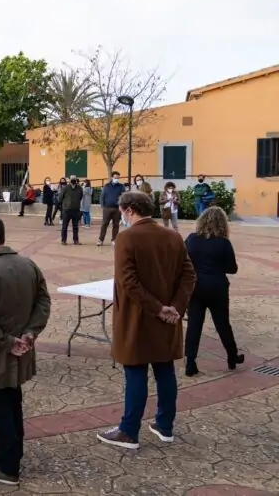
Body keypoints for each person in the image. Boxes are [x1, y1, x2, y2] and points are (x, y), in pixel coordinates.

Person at [97, 192, 196, 450]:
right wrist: (174, 307)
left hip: (137, 317)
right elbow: (189, 275)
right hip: (167, 318)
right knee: (165, 370)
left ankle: (129, 430)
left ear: (129, 210)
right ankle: (165, 425)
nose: (122, 216)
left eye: (122, 212)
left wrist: (158, 308)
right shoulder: (173, 236)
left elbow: (128, 282)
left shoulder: (126, 238)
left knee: (136, 370)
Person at [0, 217, 51, 485]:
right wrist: (29, 333)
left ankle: (8, 466)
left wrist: (7, 341)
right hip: (20, 348)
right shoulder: (28, 265)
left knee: (0, 408)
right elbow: (43, 301)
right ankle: (14, 454)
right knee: (13, 402)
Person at [184, 207, 243, 377]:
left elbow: (183, 259)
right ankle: (232, 356)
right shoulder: (224, 243)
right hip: (217, 286)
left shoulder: (192, 239)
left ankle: (190, 362)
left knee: (194, 324)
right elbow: (232, 269)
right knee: (222, 323)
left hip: (196, 285)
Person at [97, 171, 126, 246]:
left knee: (116, 225)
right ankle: (100, 239)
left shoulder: (121, 187)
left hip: (117, 209)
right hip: (107, 208)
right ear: (112, 177)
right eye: (115, 177)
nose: (116, 179)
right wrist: (102, 206)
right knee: (104, 224)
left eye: (118, 178)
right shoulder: (106, 186)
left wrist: (122, 206)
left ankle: (114, 239)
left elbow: (124, 197)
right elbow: (102, 196)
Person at [59, 175, 83, 245]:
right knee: (64, 226)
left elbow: (81, 197)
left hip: (76, 209)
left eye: (74, 179)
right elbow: (60, 198)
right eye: (72, 179)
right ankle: (63, 240)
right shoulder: (65, 188)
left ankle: (76, 240)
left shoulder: (79, 188)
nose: (73, 180)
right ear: (69, 180)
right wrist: (63, 206)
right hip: (66, 210)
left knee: (75, 226)